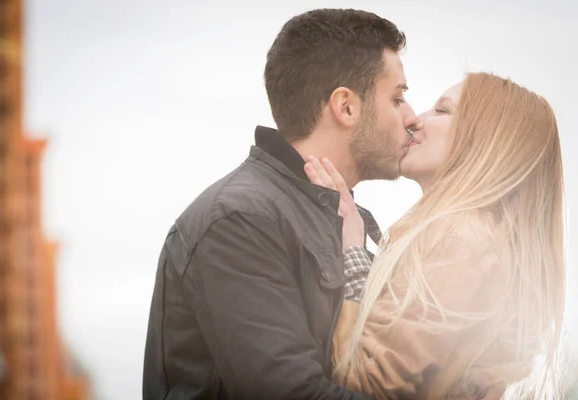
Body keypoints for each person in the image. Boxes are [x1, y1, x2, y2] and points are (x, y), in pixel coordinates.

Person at [142, 8, 421, 399]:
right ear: (346, 107)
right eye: (398, 98)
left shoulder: (336, 217)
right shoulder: (241, 219)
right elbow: (295, 393)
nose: (411, 116)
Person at [304, 72, 565, 400]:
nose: (414, 120)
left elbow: (368, 382)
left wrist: (352, 249)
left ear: (485, 138)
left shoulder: (458, 237)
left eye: (442, 111)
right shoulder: (472, 237)